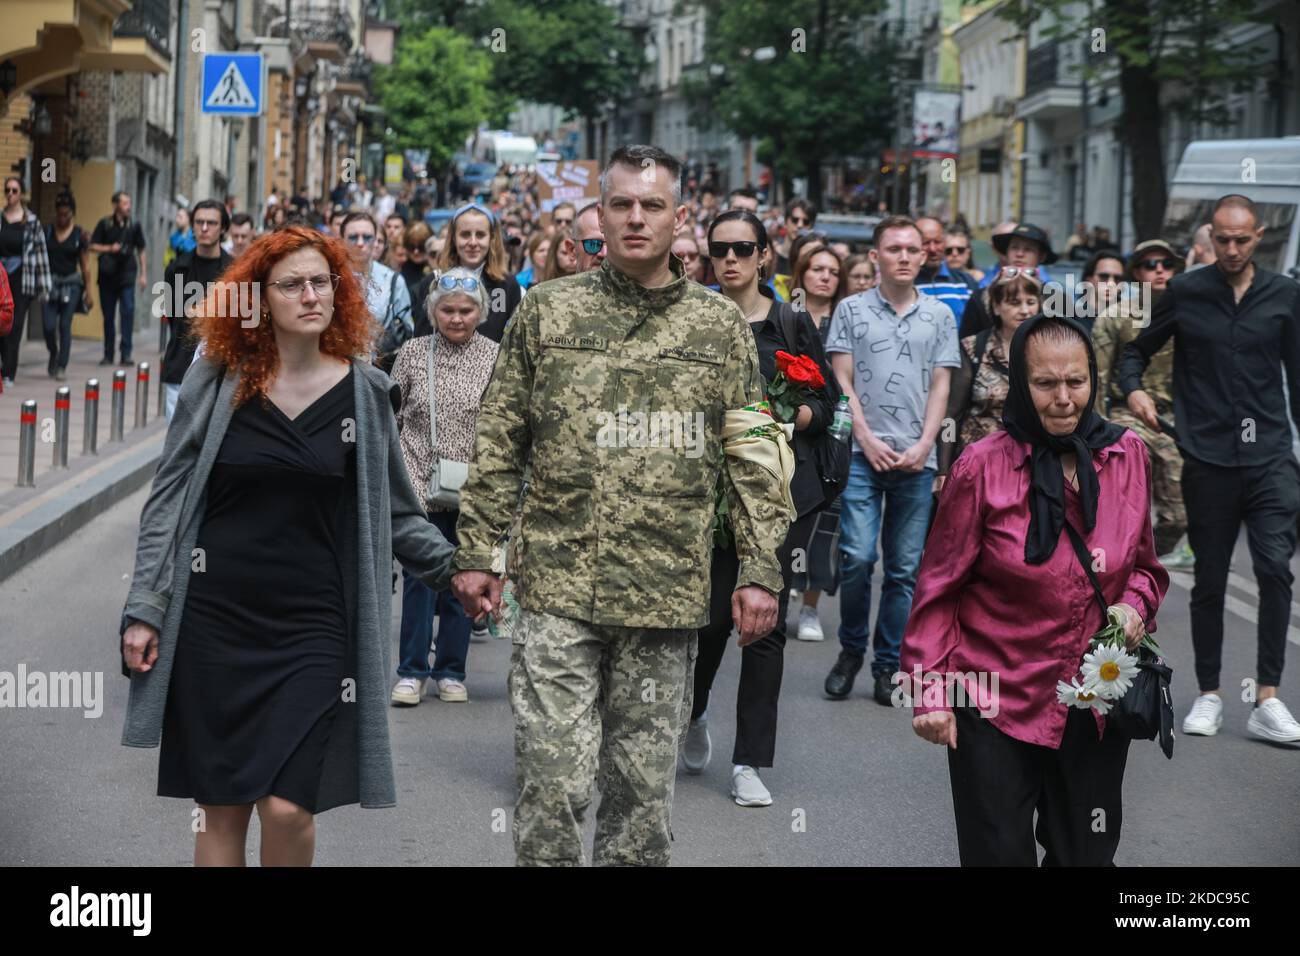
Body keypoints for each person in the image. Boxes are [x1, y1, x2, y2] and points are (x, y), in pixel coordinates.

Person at [449, 144, 793, 866]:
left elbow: (756, 456)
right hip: (557, 594)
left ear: (679, 218)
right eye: (622, 204)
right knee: (553, 783)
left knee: (640, 806)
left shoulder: (718, 326)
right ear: (599, 215)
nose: (636, 218)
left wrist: (761, 570)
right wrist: (480, 551)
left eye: (653, 205)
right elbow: (500, 439)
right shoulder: (548, 311)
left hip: (665, 601)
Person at [119, 224, 456, 866]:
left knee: (289, 807)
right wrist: (145, 605)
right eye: (291, 284)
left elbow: (400, 516)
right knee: (219, 807)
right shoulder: (219, 383)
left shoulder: (367, 391)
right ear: (258, 298)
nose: (311, 295)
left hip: (314, 625)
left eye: (322, 282)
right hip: (215, 619)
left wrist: (460, 570)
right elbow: (168, 496)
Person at [903, 314, 1169, 866]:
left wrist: (1135, 605)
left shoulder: (1127, 457)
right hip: (994, 696)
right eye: (1046, 383)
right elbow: (938, 587)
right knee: (997, 853)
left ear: (1094, 380)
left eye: (1076, 381)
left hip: (1093, 699)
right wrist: (930, 692)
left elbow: (1146, 567)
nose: (1064, 398)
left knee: (1086, 855)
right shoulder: (982, 465)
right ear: (1021, 386)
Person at [1118, 194, 1300, 743]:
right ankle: (1210, 694)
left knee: (1274, 568)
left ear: (1259, 237)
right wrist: (1134, 393)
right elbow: (1135, 353)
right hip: (1208, 456)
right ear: (1210, 237)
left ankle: (1267, 697)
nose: (1232, 249)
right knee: (1211, 580)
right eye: (1222, 239)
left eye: (1242, 240)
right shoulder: (1186, 291)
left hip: (1270, 455)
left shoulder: (1285, 295)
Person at [683, 208, 836, 806]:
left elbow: (826, 406)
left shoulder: (790, 323)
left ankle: (750, 761)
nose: (729, 259)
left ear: (764, 256)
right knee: (714, 620)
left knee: (765, 622)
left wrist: (789, 417)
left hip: (779, 493)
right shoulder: (690, 317)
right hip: (708, 494)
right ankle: (694, 714)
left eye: (742, 249)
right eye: (719, 249)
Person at [823, 215, 961, 703]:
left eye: (911, 249)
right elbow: (840, 380)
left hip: (915, 459)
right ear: (875, 256)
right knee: (858, 558)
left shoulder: (941, 316)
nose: (903, 257)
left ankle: (888, 665)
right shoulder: (851, 310)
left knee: (903, 569)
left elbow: (942, 384)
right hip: (863, 454)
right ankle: (850, 650)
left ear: (924, 256)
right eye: (893, 249)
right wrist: (863, 435)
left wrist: (927, 445)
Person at [389, 267, 500, 706]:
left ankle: (451, 670)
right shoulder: (414, 353)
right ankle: (412, 672)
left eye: (466, 310)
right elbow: (393, 418)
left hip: (474, 487)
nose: (457, 318)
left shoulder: (495, 355)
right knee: (420, 579)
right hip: (419, 479)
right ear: (433, 312)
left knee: (466, 576)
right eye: (448, 310)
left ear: (481, 312)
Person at [1093, 238, 1189, 567]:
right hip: (1127, 415)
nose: (1160, 270)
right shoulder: (1116, 317)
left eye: (1167, 264)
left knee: (1180, 514)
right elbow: (1100, 379)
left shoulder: (1192, 315)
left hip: (1176, 421)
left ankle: (1144, 560)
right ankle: (1121, 563)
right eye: (1151, 265)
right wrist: (1096, 433)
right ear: (1136, 273)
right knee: (1126, 499)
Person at [938, 267, 1043, 483]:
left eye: (1031, 302)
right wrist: (942, 469)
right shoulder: (973, 347)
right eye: (1014, 303)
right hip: (977, 467)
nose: (1025, 310)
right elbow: (951, 415)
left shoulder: (1050, 348)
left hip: (1032, 467)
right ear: (996, 306)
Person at [161, 200, 233, 421]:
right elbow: (173, 317)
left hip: (220, 371)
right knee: (177, 441)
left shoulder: (235, 271)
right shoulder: (176, 268)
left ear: (222, 228)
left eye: (211, 223)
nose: (204, 228)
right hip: (180, 364)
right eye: (199, 222)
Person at [415, 202, 521, 343]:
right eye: (465, 234)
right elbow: (421, 342)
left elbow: (515, 342)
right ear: (453, 238)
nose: (472, 242)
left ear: (491, 239)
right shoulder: (434, 282)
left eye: (480, 235)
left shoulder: (507, 284)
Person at [339, 211, 412, 371]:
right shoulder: (330, 277)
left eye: (367, 237)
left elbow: (407, 330)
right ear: (342, 240)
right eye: (353, 237)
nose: (360, 243)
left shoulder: (393, 280)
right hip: (337, 368)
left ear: (376, 241)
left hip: (380, 369)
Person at [0, 177, 52, 386]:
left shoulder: (31, 222)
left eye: (14, 190)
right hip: (1, 276)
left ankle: (9, 372)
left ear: (21, 193)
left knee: (14, 325)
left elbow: (41, 255)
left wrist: (44, 289)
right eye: (7, 190)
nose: (10, 194)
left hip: (22, 278)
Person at [961, 223, 1056, 337]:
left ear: (1041, 257)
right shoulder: (980, 298)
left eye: (1028, 249)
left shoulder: (1054, 300)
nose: (1019, 254)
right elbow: (966, 343)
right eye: (1014, 247)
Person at [90, 190, 148, 366]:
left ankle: (126, 354)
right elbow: (92, 246)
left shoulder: (134, 225)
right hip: (107, 276)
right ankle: (108, 354)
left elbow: (141, 249)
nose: (128, 207)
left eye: (129, 203)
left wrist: (143, 274)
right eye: (124, 203)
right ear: (115, 205)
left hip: (127, 275)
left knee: (128, 312)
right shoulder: (104, 224)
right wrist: (110, 248)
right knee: (108, 317)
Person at [42, 191, 92, 381]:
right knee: (48, 326)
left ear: (72, 214)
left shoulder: (80, 235)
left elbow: (85, 265)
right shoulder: (47, 232)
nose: (62, 218)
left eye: (66, 214)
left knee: (64, 324)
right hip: (50, 285)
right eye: (60, 214)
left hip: (71, 285)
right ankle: (53, 352)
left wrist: (89, 291)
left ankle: (62, 365)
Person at [916, 215, 975, 325]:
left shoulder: (965, 282)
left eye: (937, 241)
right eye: (925, 242)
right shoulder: (904, 285)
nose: (933, 249)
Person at [1076, 249, 1125, 335]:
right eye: (1104, 276)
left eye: (1117, 278)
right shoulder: (1072, 320)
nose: (1111, 283)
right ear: (1089, 280)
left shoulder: (1132, 319)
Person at [400, 222, 432, 298]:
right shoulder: (399, 269)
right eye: (411, 247)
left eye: (421, 247)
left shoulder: (436, 269)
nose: (416, 252)